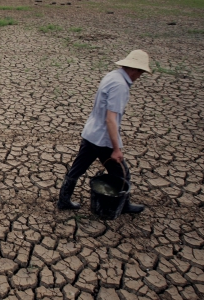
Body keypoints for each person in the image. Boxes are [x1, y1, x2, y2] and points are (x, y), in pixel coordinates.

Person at [57, 50, 151, 214]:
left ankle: (63, 200)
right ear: (135, 70)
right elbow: (111, 119)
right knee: (123, 174)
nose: (139, 76)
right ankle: (124, 205)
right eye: (141, 73)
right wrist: (116, 148)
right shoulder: (120, 86)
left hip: (91, 133)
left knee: (77, 169)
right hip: (103, 139)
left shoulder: (113, 75)